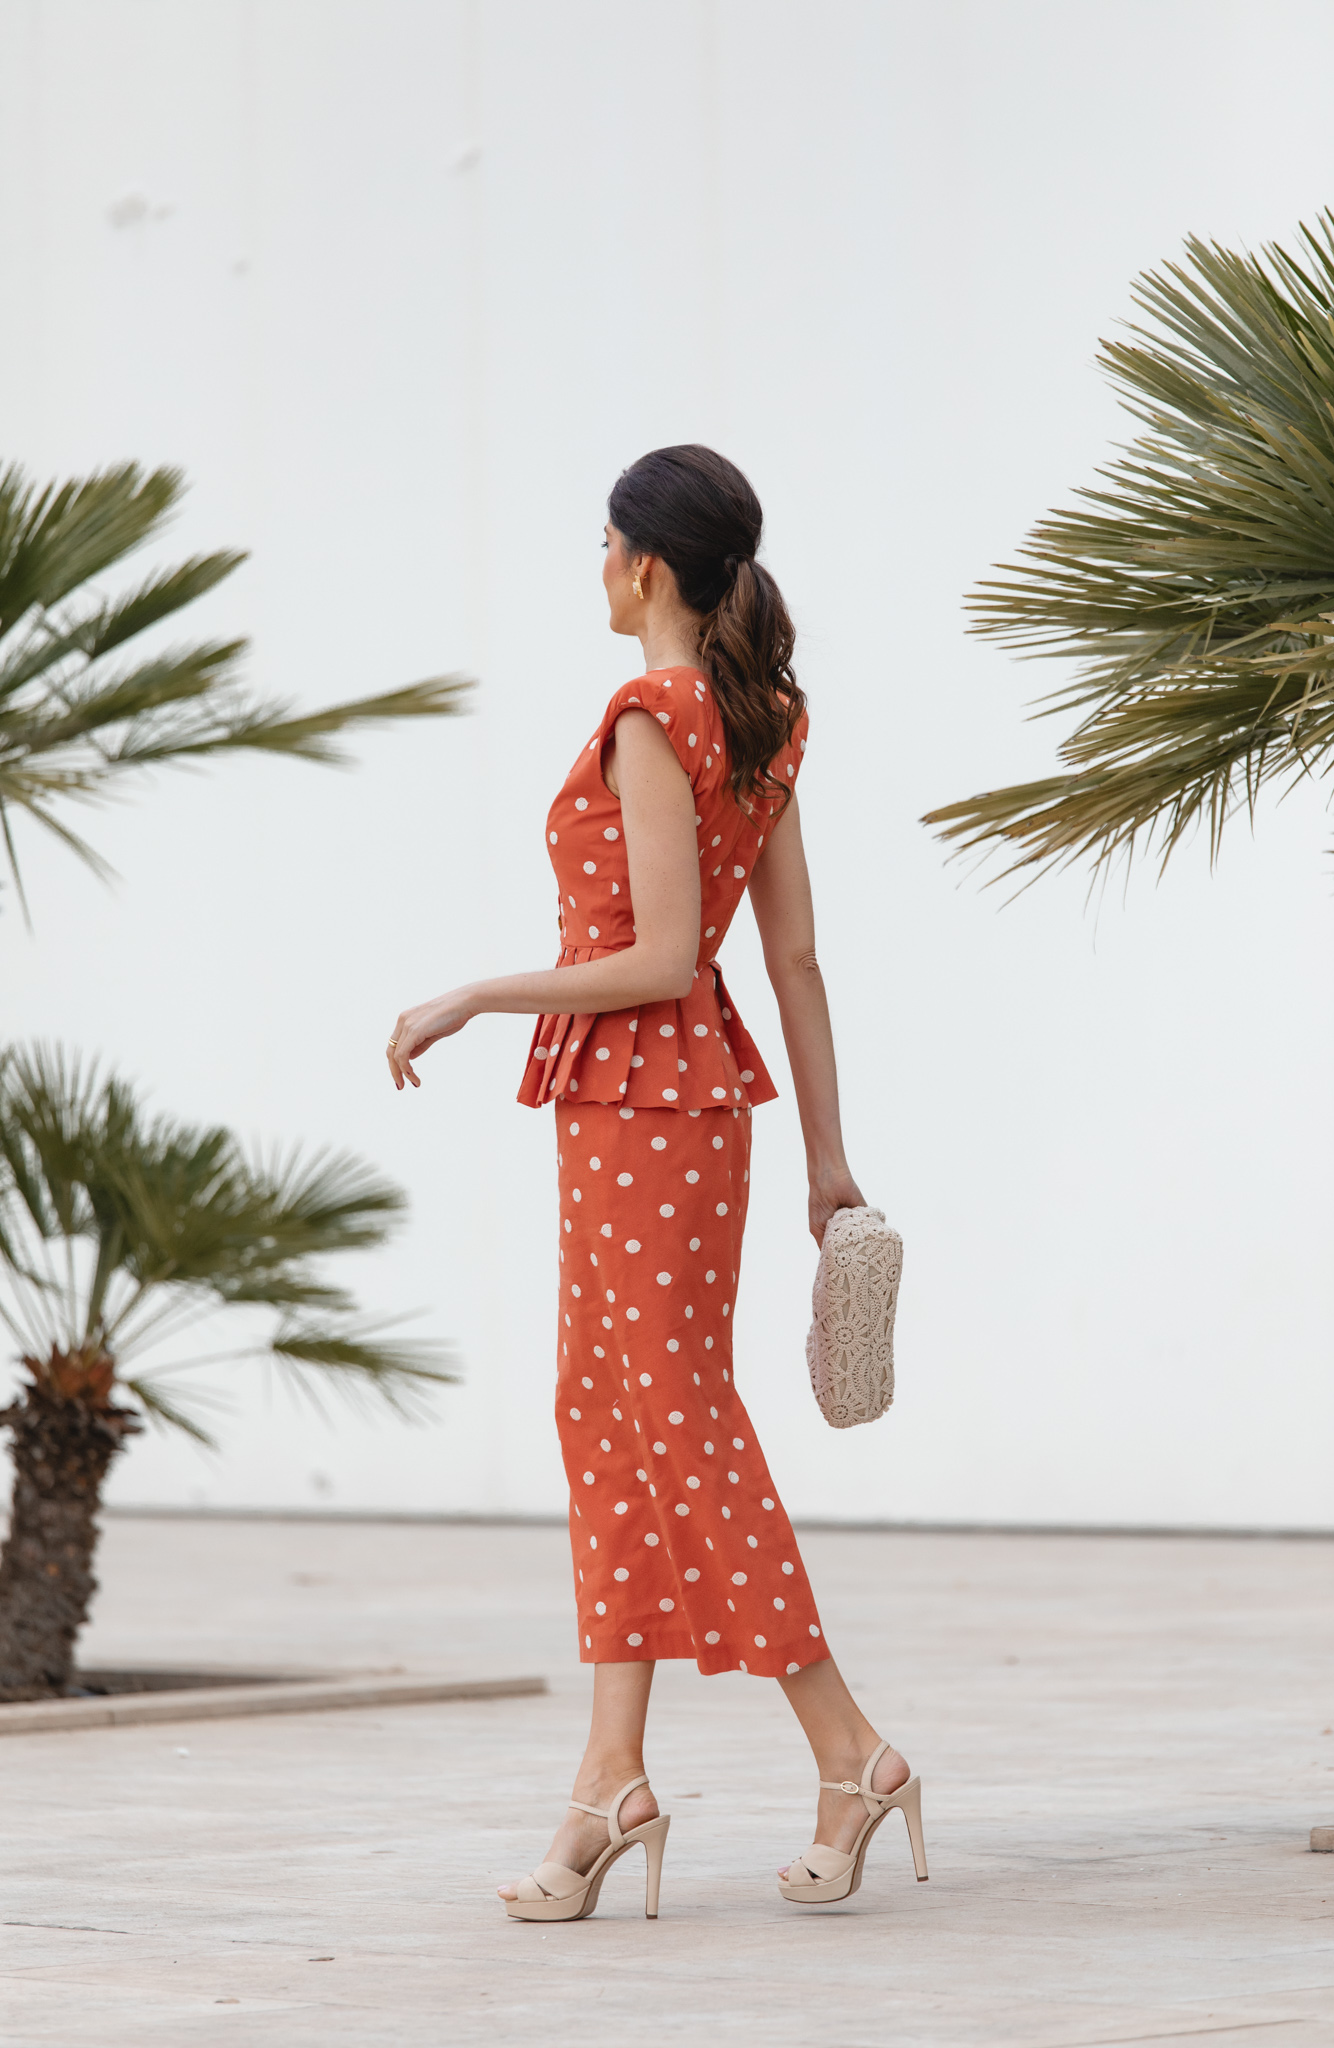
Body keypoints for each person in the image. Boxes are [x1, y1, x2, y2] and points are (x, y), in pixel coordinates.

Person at [386, 445, 926, 1919]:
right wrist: (821, 1154)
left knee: (676, 1420)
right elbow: (792, 959)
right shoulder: (763, 717)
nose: (595, 566)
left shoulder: (649, 714)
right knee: (607, 1417)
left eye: (600, 543)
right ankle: (606, 1782)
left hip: (637, 1102)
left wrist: (468, 996)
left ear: (640, 562)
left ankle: (851, 1748)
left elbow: (655, 956)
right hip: (683, 1109)